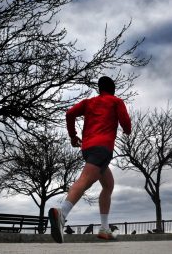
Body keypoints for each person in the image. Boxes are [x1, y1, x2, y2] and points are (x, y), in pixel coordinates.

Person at [48, 76, 131, 243]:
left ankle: (104, 228)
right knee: (85, 180)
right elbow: (127, 126)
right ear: (113, 89)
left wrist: (73, 136)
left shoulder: (88, 103)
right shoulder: (116, 101)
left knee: (108, 185)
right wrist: (126, 128)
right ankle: (61, 214)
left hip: (87, 148)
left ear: (99, 88)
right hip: (103, 148)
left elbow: (70, 113)